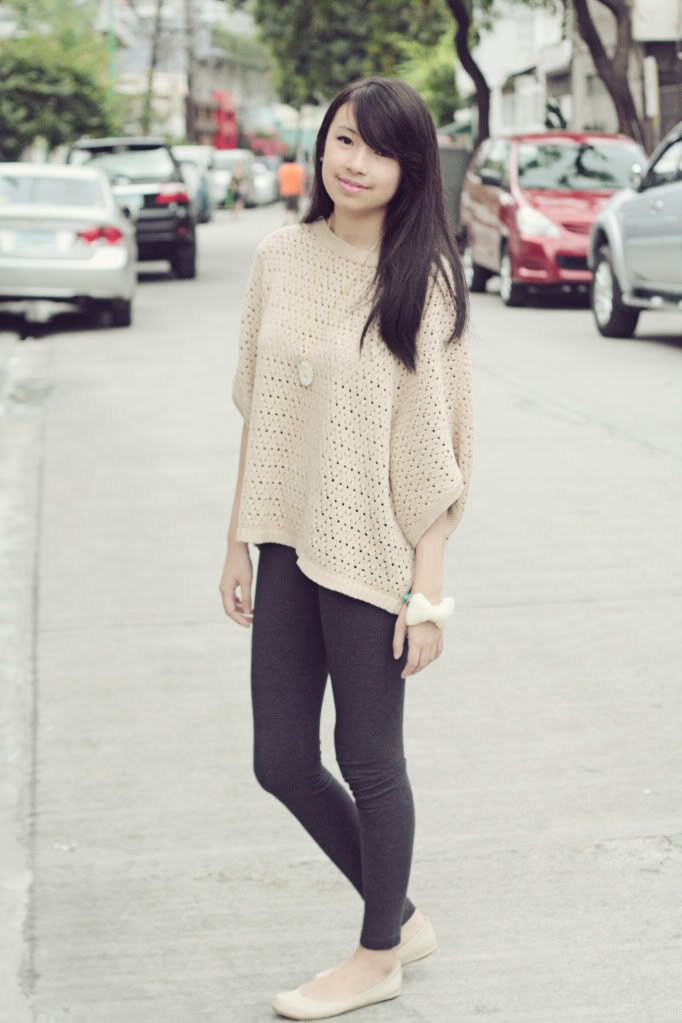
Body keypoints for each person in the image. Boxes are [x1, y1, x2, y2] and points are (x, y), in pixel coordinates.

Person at [219, 76, 474, 1020]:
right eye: (343, 139)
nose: (354, 162)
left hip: (373, 552)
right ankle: (398, 912)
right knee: (280, 758)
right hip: (287, 541)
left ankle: (378, 955)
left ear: (412, 169)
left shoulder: (422, 282)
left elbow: (434, 452)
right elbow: (260, 412)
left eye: (378, 148)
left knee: (368, 757)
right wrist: (238, 541)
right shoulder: (279, 257)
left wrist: (427, 597)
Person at [277, 151, 306, 223]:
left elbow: (280, 181)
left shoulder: (282, 169)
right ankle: (296, 221)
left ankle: (286, 221)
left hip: (285, 191)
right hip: (296, 191)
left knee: (287, 208)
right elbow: (301, 181)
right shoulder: (298, 168)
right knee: (296, 208)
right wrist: (302, 191)